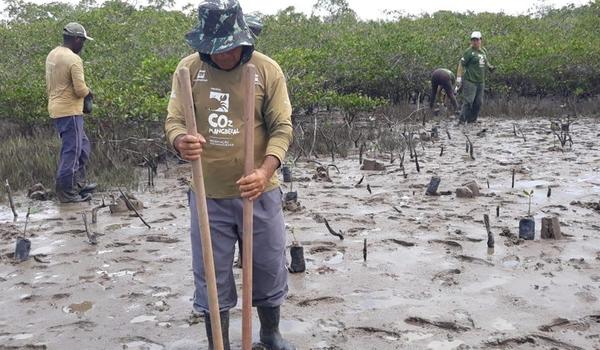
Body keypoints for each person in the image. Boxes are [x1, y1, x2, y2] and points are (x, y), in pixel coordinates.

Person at [164, 1, 295, 349]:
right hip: (208, 193)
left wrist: (265, 171)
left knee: (267, 266)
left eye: (229, 47)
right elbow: (174, 119)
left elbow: (282, 128)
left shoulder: (266, 70)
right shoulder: (187, 71)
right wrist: (180, 140)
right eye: (214, 48)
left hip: (259, 191)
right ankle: (216, 342)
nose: (222, 55)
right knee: (211, 274)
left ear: (243, 39)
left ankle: (269, 333)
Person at [45, 22, 97, 203]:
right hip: (70, 112)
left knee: (82, 147)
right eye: (82, 41)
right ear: (76, 39)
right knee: (72, 151)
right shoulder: (74, 59)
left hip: (57, 109)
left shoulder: (53, 54)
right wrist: (90, 93)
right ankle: (67, 193)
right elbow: (80, 89)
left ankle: (77, 185)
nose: (82, 45)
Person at [455, 31, 495, 124]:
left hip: (480, 82)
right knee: (468, 101)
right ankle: (461, 121)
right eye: (473, 40)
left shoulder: (483, 51)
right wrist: (458, 79)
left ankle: (472, 121)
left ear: (481, 40)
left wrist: (490, 67)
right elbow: (461, 64)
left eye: (477, 40)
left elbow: (485, 61)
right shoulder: (469, 52)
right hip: (470, 81)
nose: (474, 42)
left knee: (478, 103)